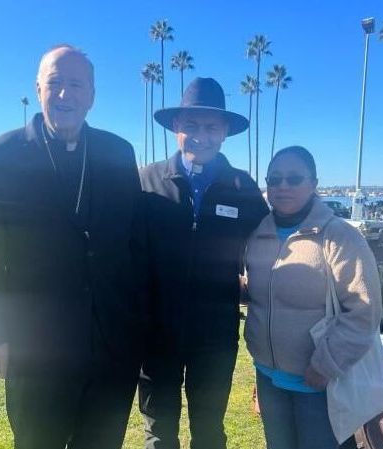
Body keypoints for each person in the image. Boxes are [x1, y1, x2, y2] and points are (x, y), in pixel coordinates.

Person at [0, 44, 142, 449]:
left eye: (76, 84)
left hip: (110, 343)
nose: (65, 93)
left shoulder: (119, 153)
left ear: (92, 95)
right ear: (38, 89)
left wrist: (138, 326)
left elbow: (135, 245)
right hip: (36, 349)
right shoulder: (2, 155)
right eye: (55, 83)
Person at [136, 77, 269, 449]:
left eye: (211, 127)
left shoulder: (243, 188)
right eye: (191, 125)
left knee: (209, 432)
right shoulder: (146, 182)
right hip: (155, 335)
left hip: (214, 337)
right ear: (176, 127)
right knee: (159, 435)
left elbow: (272, 248)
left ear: (224, 132)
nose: (201, 136)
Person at [244, 146, 383, 449]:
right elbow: (263, 291)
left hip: (320, 385)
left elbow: (365, 311)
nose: (283, 186)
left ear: (314, 184)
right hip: (268, 376)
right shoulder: (258, 235)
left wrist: (326, 365)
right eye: (275, 179)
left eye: (294, 178)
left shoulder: (340, 237)